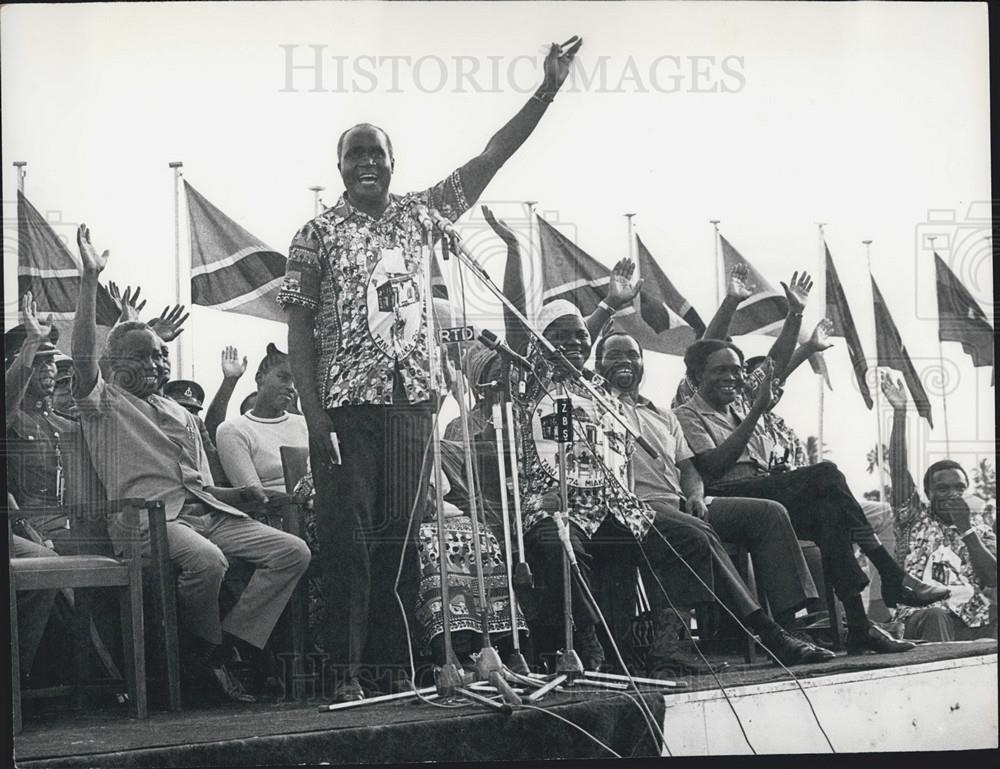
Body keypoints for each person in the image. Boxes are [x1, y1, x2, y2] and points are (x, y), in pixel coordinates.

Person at [278, 36, 583, 702]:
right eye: (354, 153)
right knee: (348, 541)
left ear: (392, 163)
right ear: (338, 165)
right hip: (344, 406)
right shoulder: (316, 233)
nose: (366, 162)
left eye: (376, 152)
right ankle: (345, 671)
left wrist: (547, 89)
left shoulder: (421, 214)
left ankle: (397, 668)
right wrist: (313, 409)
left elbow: (490, 158)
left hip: (413, 403)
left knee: (400, 540)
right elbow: (297, 326)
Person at [71, 223, 311, 703]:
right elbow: (81, 357)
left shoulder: (180, 412)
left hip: (204, 514)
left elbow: (198, 485)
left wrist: (237, 495)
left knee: (292, 552)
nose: (161, 366)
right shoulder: (105, 403)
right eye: (149, 357)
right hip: (147, 522)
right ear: (118, 362)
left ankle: (225, 646)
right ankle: (204, 652)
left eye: (164, 357)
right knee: (208, 561)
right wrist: (88, 280)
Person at [674, 335, 946, 655]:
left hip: (765, 490)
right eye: (720, 370)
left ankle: (859, 626)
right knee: (826, 472)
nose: (732, 376)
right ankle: (891, 575)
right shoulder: (686, 414)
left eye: (736, 369)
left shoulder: (738, 405)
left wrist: (798, 324)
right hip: (726, 497)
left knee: (831, 515)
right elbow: (715, 466)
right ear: (696, 376)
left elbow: (776, 369)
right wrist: (756, 411)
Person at [595, 330, 834, 669]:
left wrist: (694, 495)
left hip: (679, 500)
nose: (625, 362)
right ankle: (768, 633)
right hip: (635, 505)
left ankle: (792, 624)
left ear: (642, 363)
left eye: (632, 355)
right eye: (614, 355)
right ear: (597, 364)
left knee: (769, 513)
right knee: (698, 533)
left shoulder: (663, 415)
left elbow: (687, 466)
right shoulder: (596, 409)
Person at [882, 374, 996, 641]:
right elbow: (898, 470)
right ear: (927, 493)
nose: (952, 494)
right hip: (923, 615)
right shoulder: (913, 518)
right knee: (936, 617)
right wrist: (900, 414)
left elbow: (993, 579)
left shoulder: (980, 529)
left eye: (958, 488)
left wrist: (967, 531)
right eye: (943, 489)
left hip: (973, 616)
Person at [216, 344, 308, 495]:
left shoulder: (304, 424)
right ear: (260, 378)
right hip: (274, 513)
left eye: (295, 383)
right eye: (283, 378)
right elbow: (256, 495)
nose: (291, 387)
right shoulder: (233, 430)